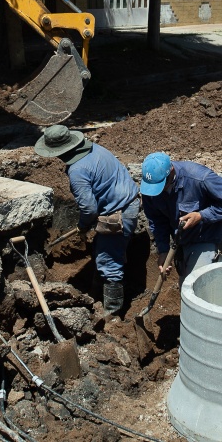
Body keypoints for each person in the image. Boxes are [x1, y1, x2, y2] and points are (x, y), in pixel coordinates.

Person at [34, 125, 139, 314]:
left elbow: (89, 208)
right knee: (103, 250)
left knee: (109, 262)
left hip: (117, 214)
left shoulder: (77, 171)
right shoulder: (96, 149)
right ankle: (95, 295)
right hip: (128, 201)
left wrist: (83, 225)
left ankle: (112, 313)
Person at [139, 152, 222, 285]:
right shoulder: (151, 188)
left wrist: (201, 216)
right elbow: (157, 222)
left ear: (171, 171)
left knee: (196, 287)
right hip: (181, 241)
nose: (158, 191)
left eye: (161, 185)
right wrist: (163, 250)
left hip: (204, 238)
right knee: (186, 287)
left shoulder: (199, 178)